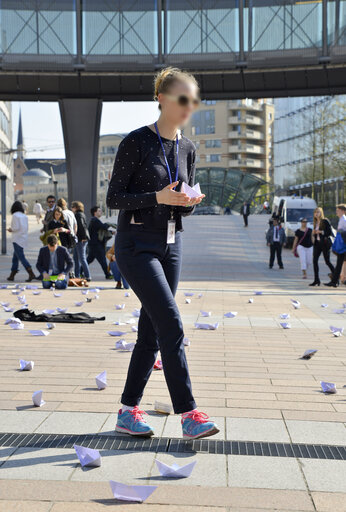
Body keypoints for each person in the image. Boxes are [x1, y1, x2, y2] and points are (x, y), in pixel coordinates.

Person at [106, 66, 219, 440]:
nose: (190, 106)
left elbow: (179, 203)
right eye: (183, 98)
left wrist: (189, 202)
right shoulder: (136, 142)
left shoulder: (187, 147)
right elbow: (113, 199)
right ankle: (189, 414)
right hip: (136, 245)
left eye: (194, 100)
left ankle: (127, 412)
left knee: (151, 331)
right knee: (171, 323)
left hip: (172, 244)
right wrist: (157, 196)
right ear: (162, 98)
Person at [7, 201, 37, 282]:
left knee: (21, 256)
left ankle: (31, 273)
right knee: (15, 257)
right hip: (23, 238)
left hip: (16, 238)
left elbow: (16, 227)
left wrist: (11, 229)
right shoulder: (24, 216)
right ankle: (12, 275)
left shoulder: (15, 215)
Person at [309, 207, 335, 287]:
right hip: (317, 244)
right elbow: (315, 234)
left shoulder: (325, 221)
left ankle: (335, 278)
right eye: (315, 212)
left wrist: (320, 231)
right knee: (314, 261)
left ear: (321, 213)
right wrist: (313, 233)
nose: (316, 214)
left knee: (327, 261)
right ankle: (316, 280)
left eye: (318, 212)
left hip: (325, 243)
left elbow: (329, 232)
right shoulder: (315, 222)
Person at [87, 206, 113, 279]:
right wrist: (109, 223)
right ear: (95, 213)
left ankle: (80, 272)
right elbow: (103, 227)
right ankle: (107, 274)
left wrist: (111, 232)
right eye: (99, 211)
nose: (100, 212)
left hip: (93, 244)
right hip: (96, 244)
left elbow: (100, 230)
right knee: (103, 260)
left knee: (89, 259)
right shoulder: (95, 220)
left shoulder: (94, 220)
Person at [325, 204, 346, 288]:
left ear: (343, 211)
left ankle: (334, 281)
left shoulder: (343, 219)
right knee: (339, 263)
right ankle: (334, 281)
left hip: (343, 245)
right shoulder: (342, 219)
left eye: (338, 210)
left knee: (339, 263)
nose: (337, 212)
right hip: (342, 244)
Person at [71, 201, 91, 281]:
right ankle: (77, 275)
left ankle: (87, 276)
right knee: (76, 258)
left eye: (72, 207)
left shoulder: (78, 215)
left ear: (76, 207)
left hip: (81, 239)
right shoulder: (81, 214)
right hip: (79, 239)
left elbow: (82, 226)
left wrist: (83, 237)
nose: (71, 208)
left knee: (82, 258)